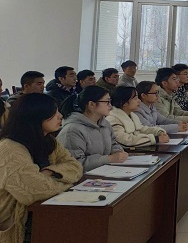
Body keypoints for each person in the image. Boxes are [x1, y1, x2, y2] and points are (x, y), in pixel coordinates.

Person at [0, 93, 83, 242]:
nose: (60, 116)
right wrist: (68, 183)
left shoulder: (48, 140)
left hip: (40, 214)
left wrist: (51, 172)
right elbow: (33, 191)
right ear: (36, 117)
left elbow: (75, 167)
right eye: (54, 113)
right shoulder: (9, 149)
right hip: (15, 225)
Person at [57, 86, 128, 172]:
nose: (111, 106)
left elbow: (113, 143)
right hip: (82, 177)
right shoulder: (72, 130)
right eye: (107, 102)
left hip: (105, 171)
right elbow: (75, 164)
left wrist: (117, 152)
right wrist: (109, 159)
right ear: (91, 104)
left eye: (110, 101)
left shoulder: (105, 124)